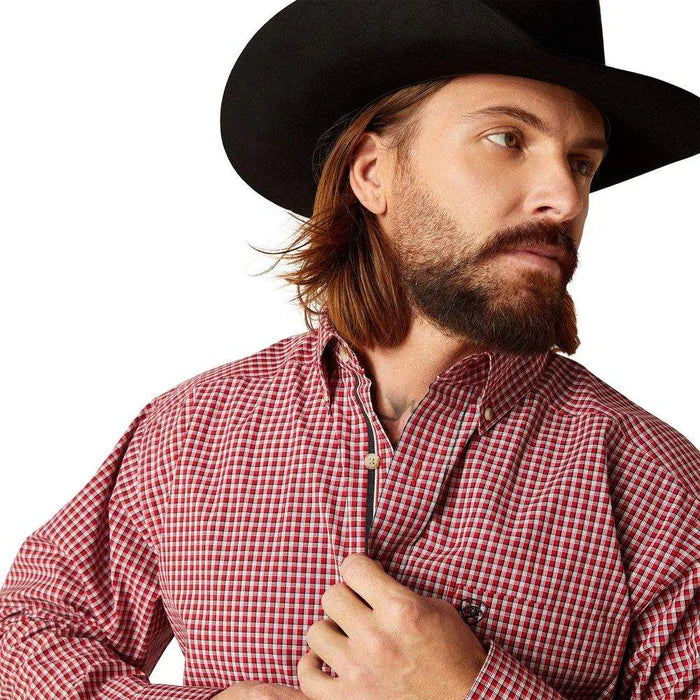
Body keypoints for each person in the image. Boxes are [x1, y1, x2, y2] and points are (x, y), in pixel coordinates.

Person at [1, 1, 698, 699]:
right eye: (506, 139)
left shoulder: (660, 489)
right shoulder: (189, 433)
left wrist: (471, 692)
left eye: (582, 163)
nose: (566, 199)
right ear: (372, 174)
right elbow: (26, 633)